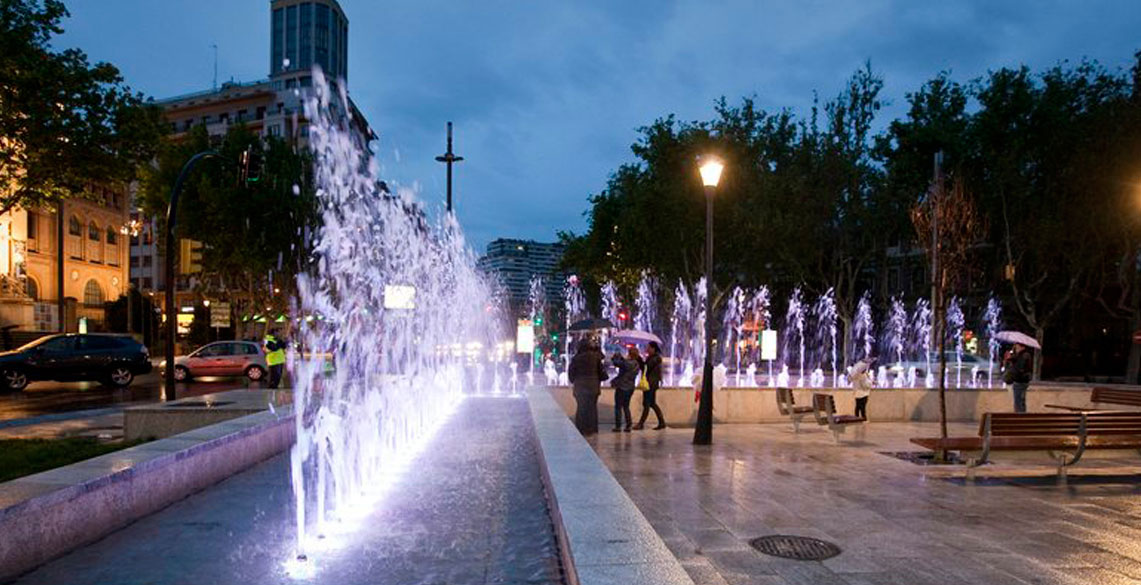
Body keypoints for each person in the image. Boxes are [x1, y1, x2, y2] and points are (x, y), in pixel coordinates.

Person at [568, 338, 607, 435]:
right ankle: (592, 428)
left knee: (581, 407)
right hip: (593, 387)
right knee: (592, 408)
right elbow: (601, 371)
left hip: (580, 387)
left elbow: (571, 373)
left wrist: (574, 380)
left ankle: (581, 428)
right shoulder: (595, 357)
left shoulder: (576, 358)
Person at [633, 341, 666, 430]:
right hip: (651, 383)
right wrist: (639, 359)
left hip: (651, 383)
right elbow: (644, 368)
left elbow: (646, 368)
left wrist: (639, 358)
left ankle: (641, 424)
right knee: (651, 403)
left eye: (648, 347)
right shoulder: (652, 357)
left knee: (647, 403)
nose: (647, 349)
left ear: (653, 348)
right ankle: (662, 422)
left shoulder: (655, 358)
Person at [610, 346, 642, 432]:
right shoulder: (636, 364)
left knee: (618, 407)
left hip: (622, 387)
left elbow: (617, 363)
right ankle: (628, 425)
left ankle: (618, 426)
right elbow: (624, 363)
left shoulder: (627, 363)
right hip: (630, 388)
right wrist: (621, 358)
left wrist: (614, 358)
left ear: (630, 354)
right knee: (626, 406)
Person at [1003, 342, 1033, 413]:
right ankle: (1021, 417)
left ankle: (1019, 418)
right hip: (1022, 381)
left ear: (1022, 347)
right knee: (1020, 401)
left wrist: (1012, 361)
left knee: (1018, 402)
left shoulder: (1024, 355)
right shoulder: (1021, 355)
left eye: (1017, 347)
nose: (1015, 349)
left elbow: (1019, 368)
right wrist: (1009, 359)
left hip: (1020, 381)